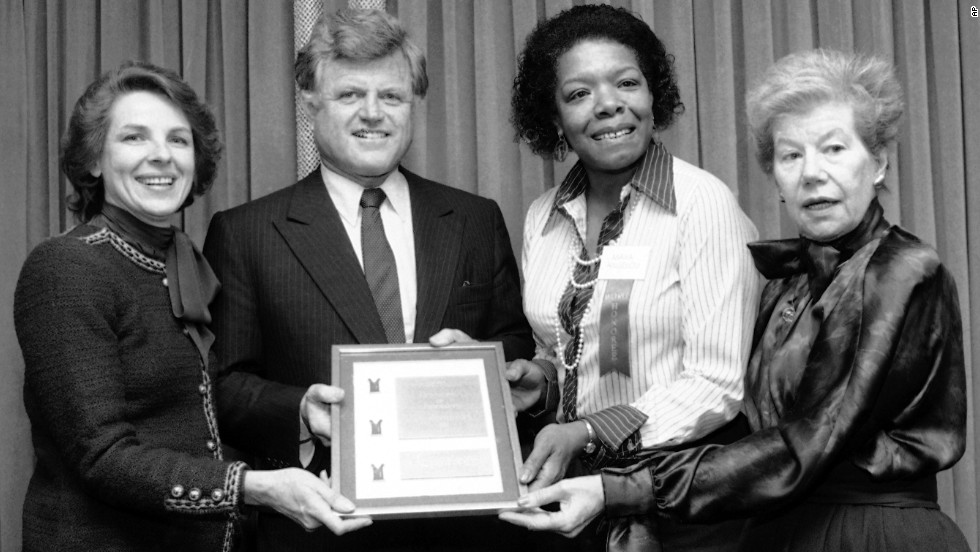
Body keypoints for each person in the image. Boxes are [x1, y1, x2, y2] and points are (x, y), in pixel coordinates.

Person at [501, 48, 971, 552]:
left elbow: (804, 443)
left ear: (878, 162)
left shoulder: (902, 272)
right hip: (780, 529)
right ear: (776, 180)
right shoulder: (788, 282)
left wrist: (617, 488)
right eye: (791, 155)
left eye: (834, 149)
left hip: (873, 535)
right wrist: (547, 383)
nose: (812, 173)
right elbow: (750, 430)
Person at [202, 8, 534, 552]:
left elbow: (515, 342)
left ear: (414, 104)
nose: (373, 114)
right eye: (351, 95)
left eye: (392, 97)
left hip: (465, 530)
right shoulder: (246, 233)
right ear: (311, 103)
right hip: (322, 528)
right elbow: (224, 383)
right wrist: (300, 410)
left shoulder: (475, 219)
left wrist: (486, 360)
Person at [13, 61, 371, 552]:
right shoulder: (66, 268)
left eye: (178, 140)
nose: (162, 156)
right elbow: (100, 456)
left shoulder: (184, 264)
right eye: (135, 138)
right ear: (94, 160)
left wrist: (302, 412)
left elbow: (205, 408)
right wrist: (253, 487)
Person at [502, 5, 760, 550]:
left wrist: (590, 431)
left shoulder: (702, 204)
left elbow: (716, 385)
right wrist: (541, 380)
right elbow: (569, 348)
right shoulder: (541, 218)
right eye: (578, 94)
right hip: (575, 502)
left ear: (652, 96)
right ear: (553, 119)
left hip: (682, 504)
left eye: (626, 82)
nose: (609, 104)